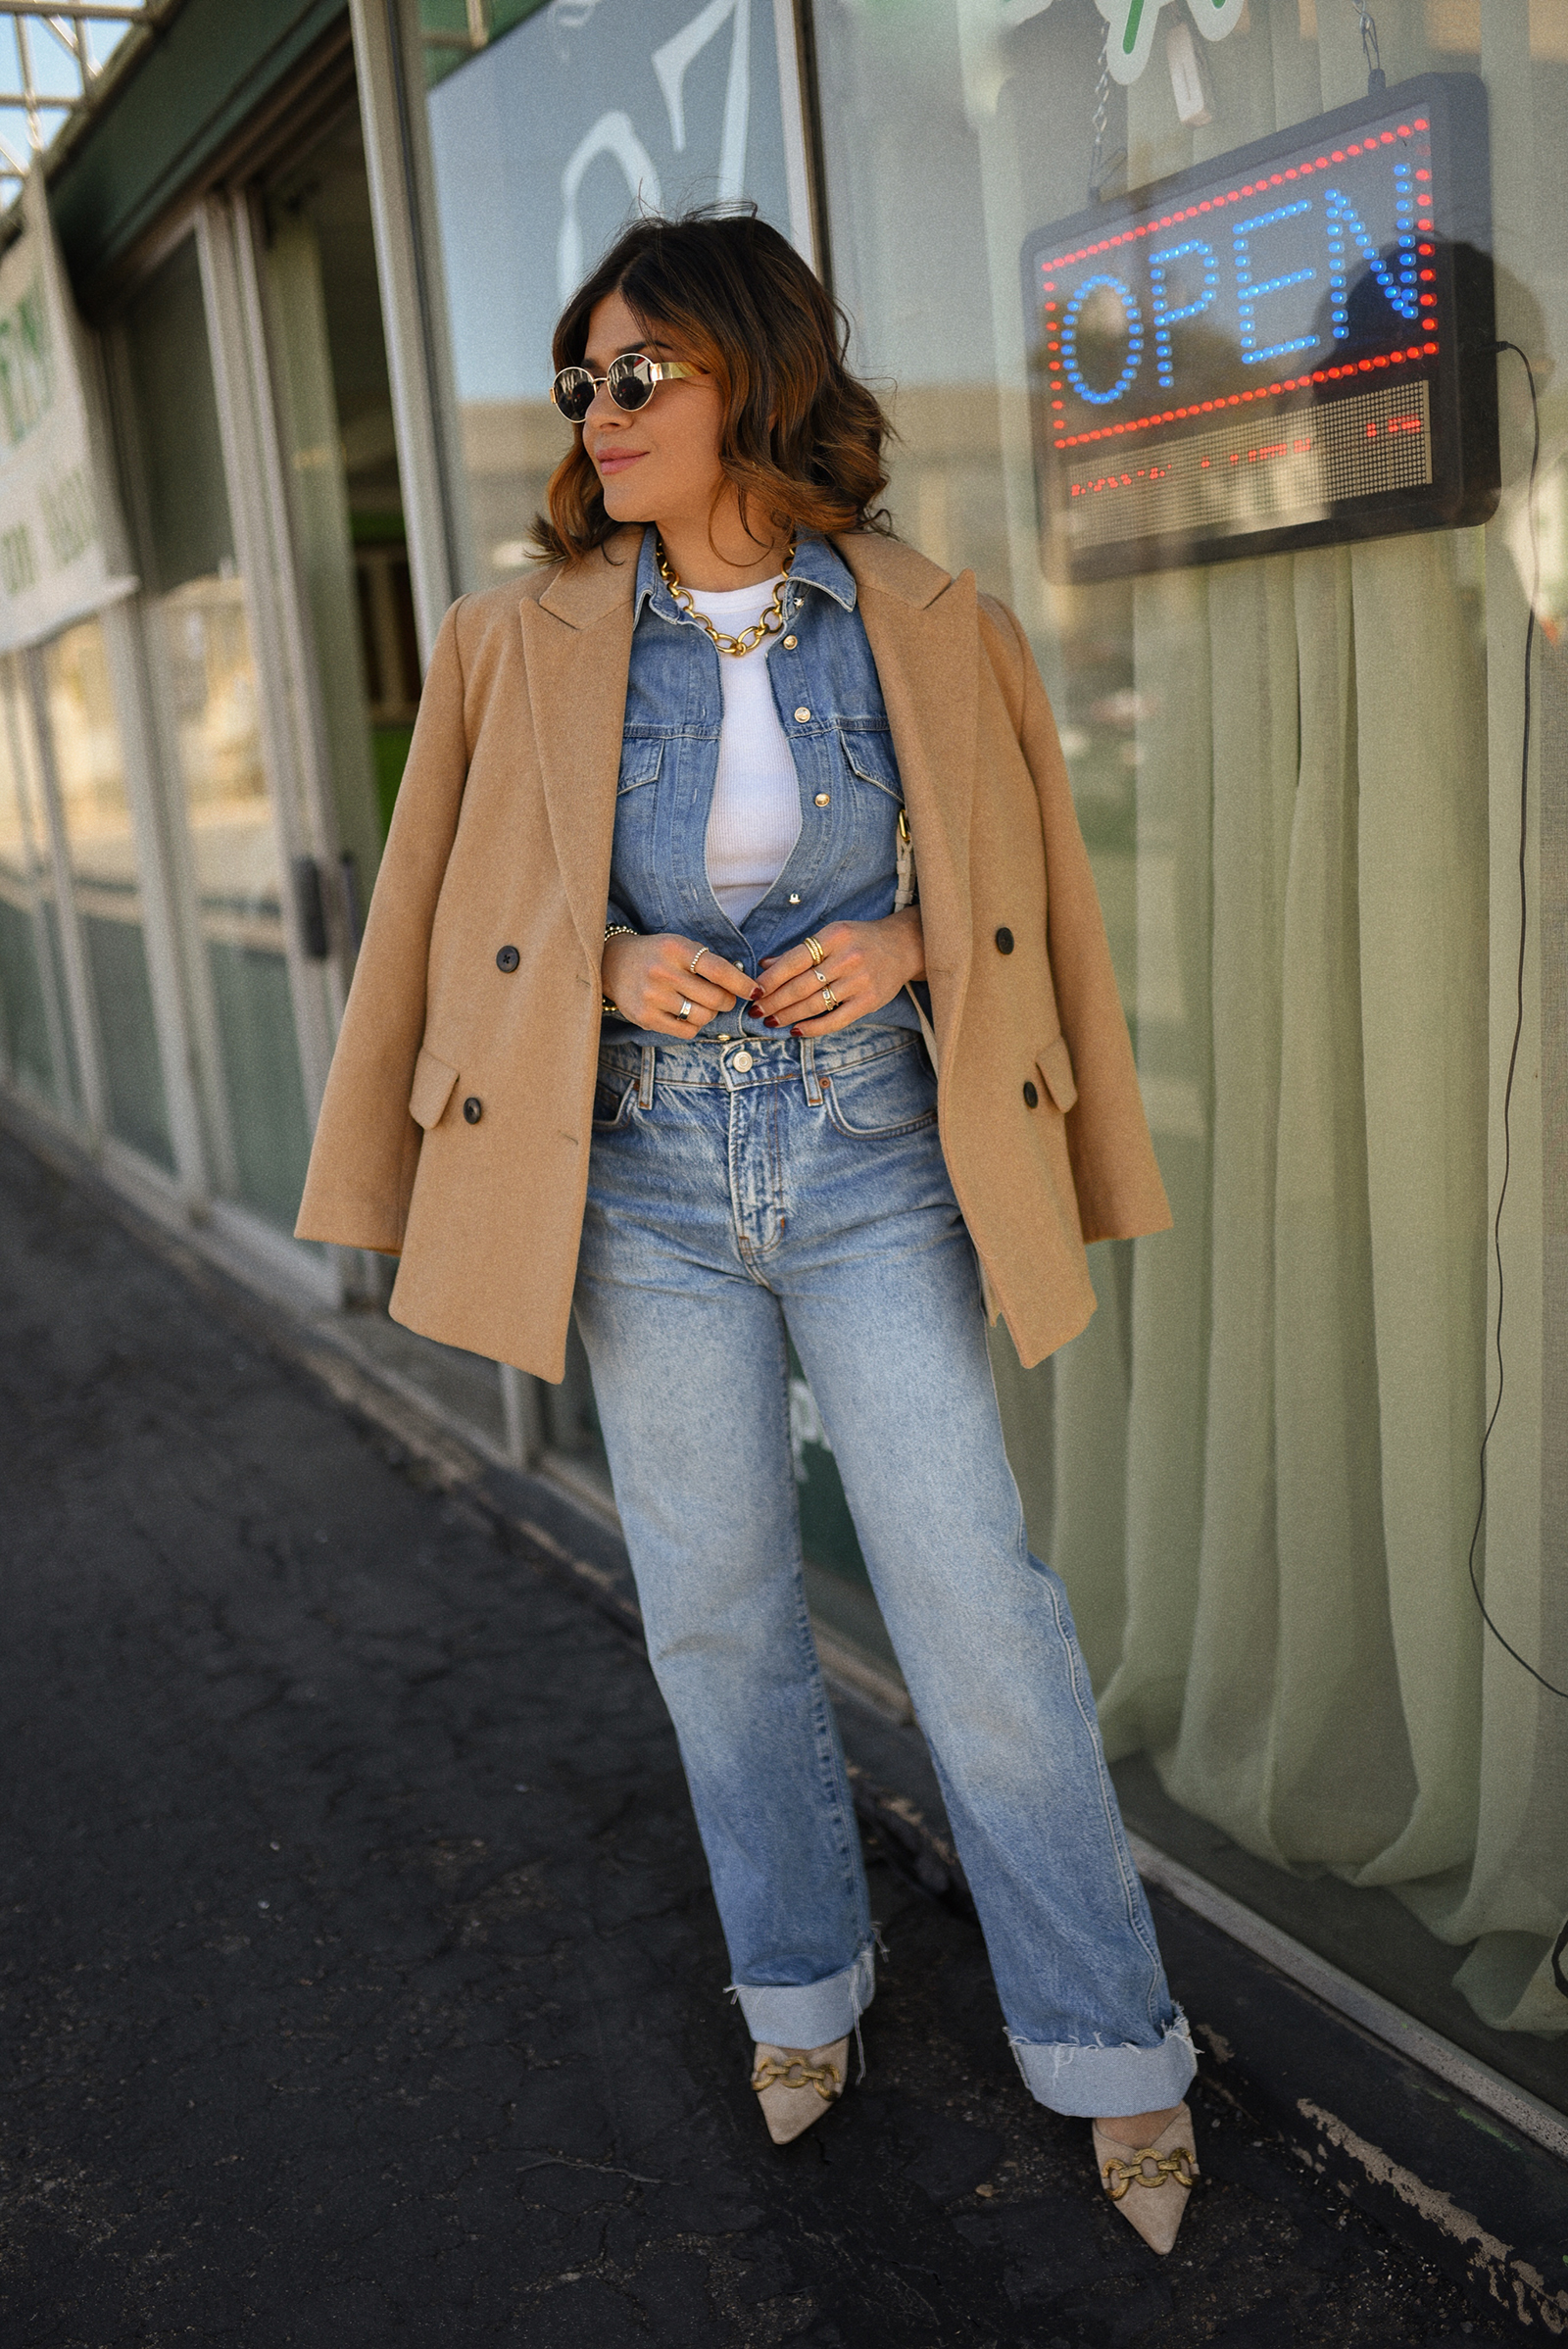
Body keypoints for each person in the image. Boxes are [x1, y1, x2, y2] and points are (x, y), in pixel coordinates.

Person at [296, 210, 1199, 2254]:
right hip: (641, 1183)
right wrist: (599, 969)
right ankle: (799, 1987)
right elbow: (439, 929)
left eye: (641, 375)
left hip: (878, 1152)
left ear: (748, 380)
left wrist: (898, 942)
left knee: (974, 1606)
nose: (600, 414)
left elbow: (1025, 899)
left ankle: (1110, 2036)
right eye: (581, 380)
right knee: (713, 1614)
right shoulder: (505, 641)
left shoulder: (931, 622)